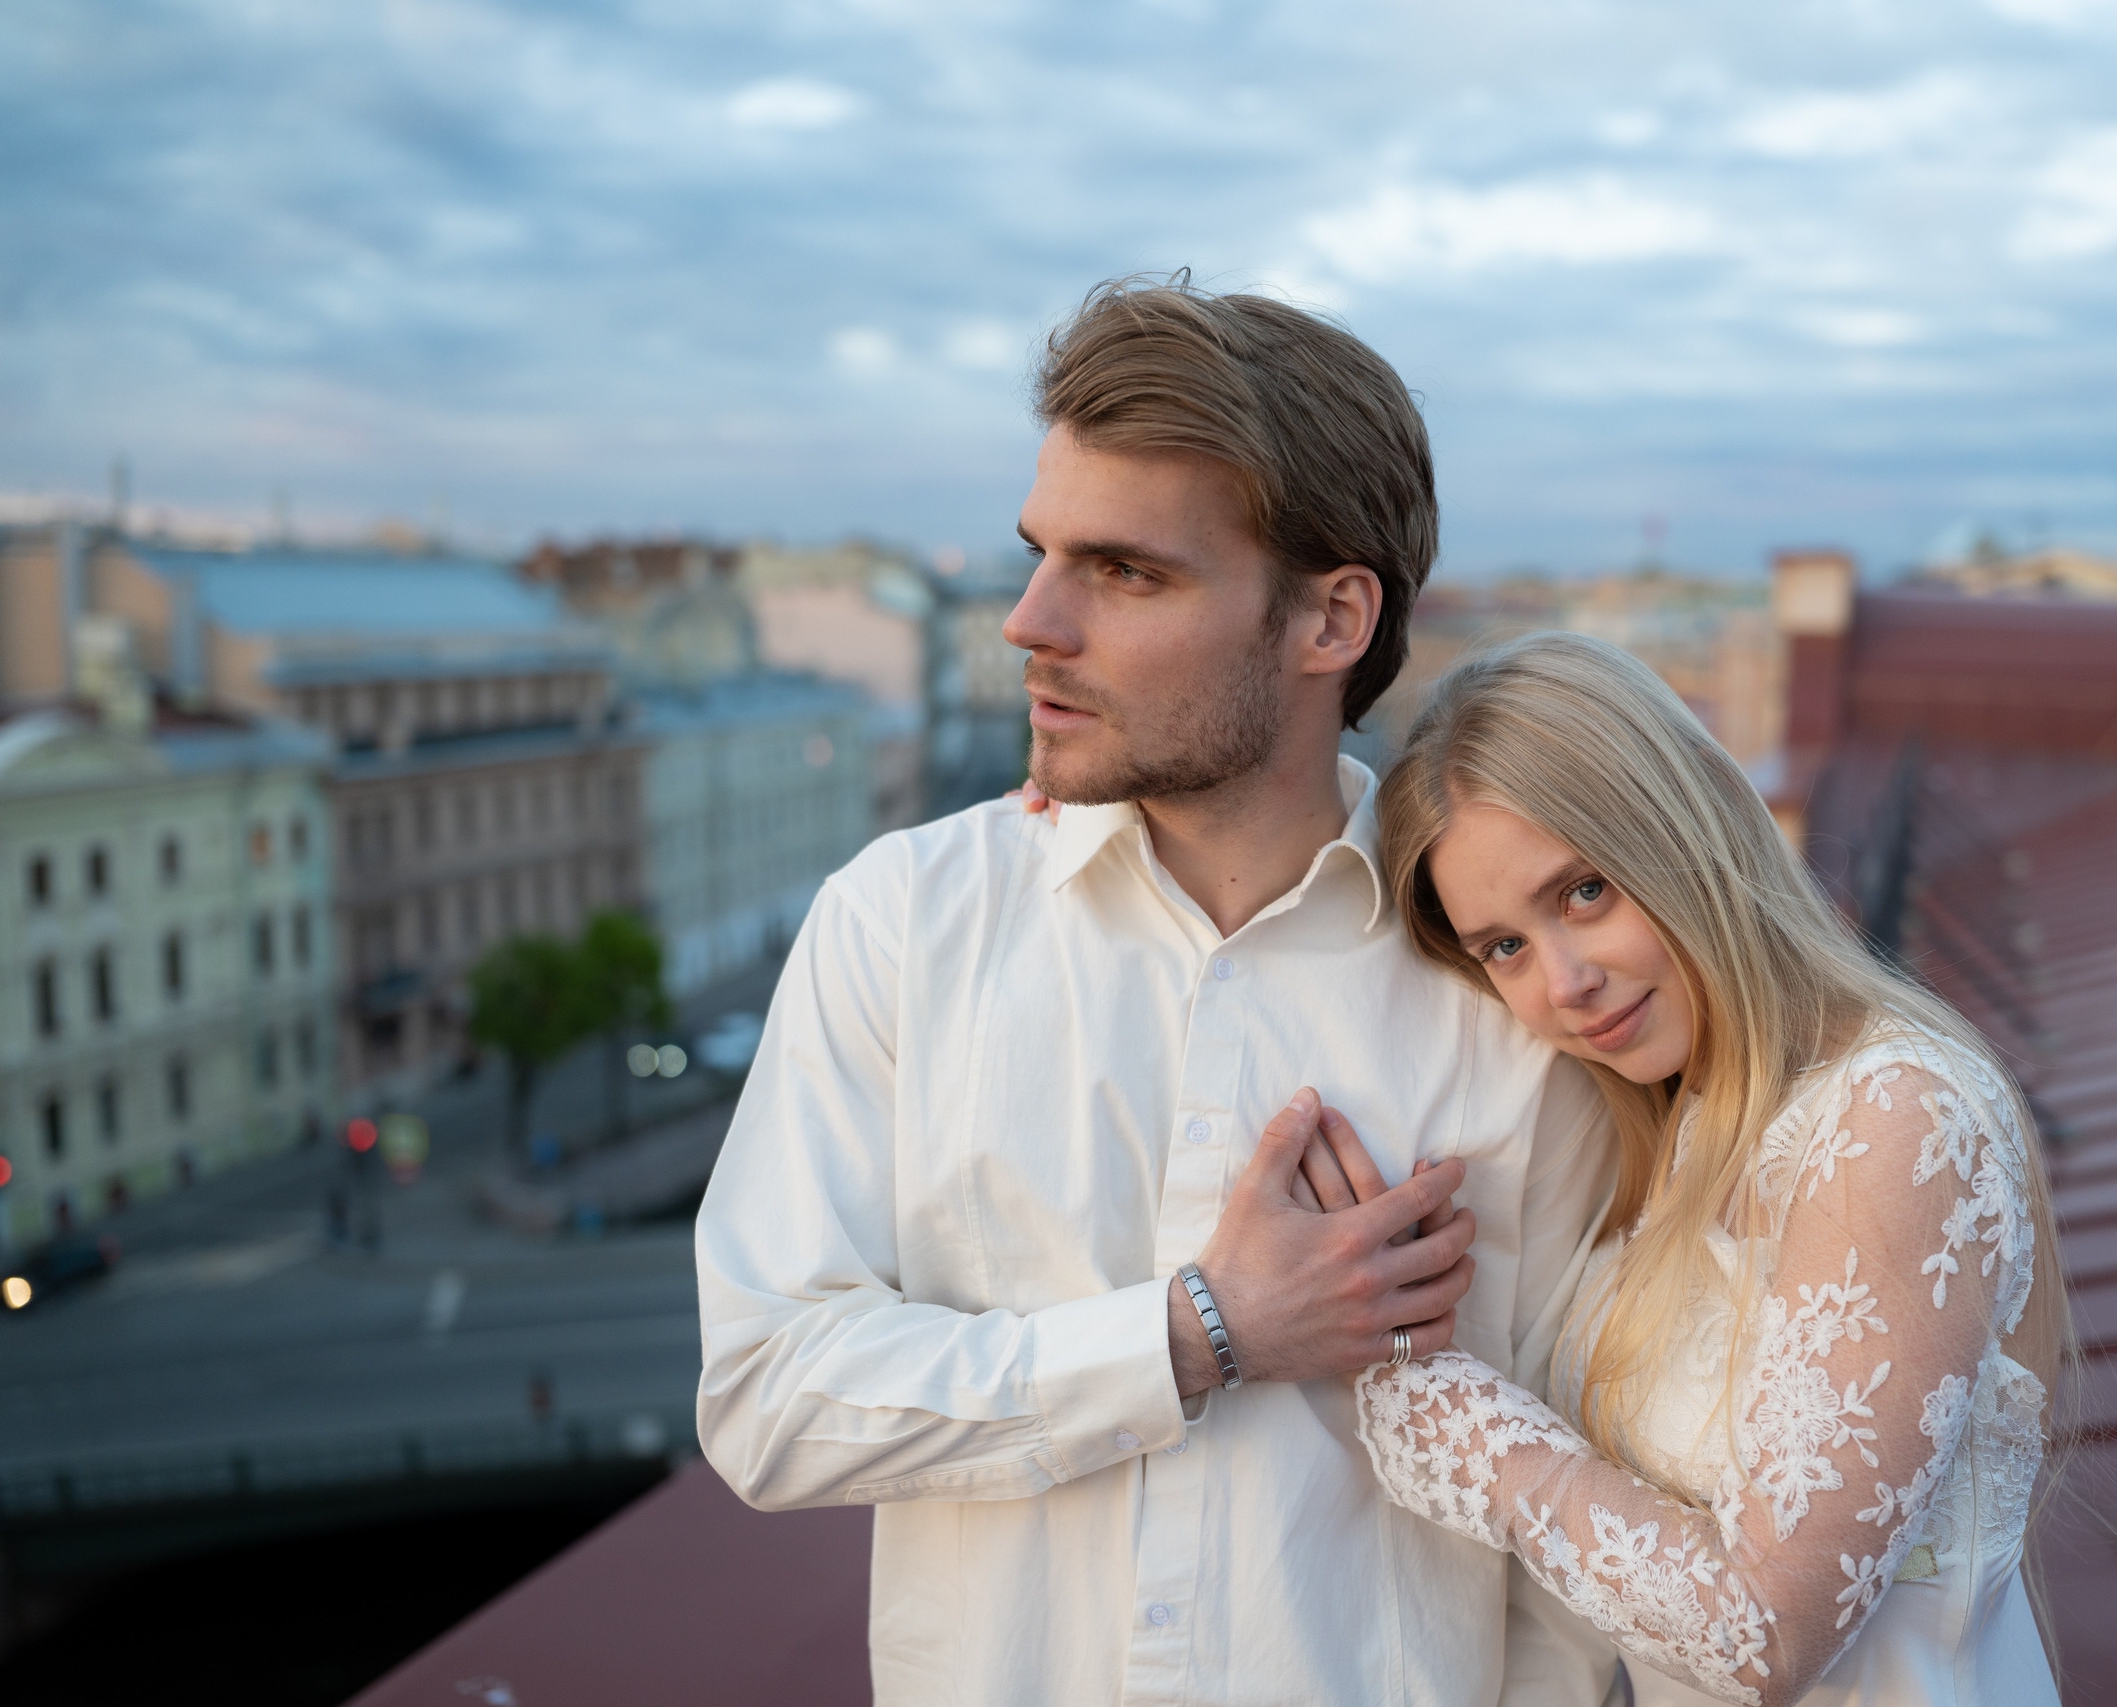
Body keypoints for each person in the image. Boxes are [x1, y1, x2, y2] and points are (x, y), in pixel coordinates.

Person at [694, 279, 1620, 1704]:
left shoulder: (1506, 992)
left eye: (1126, 571)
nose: (1028, 621)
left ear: (1330, 617)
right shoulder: (903, 922)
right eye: (1039, 552)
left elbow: (1563, 1562)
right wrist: (1195, 1331)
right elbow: (768, 1397)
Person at [1338, 631, 2069, 1706]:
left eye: (1583, 891)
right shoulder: (1679, 1130)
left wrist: (1468, 1436)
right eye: (1504, 948)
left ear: (1684, 829)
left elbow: (1761, 1634)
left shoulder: (1896, 1116)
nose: (1566, 982)